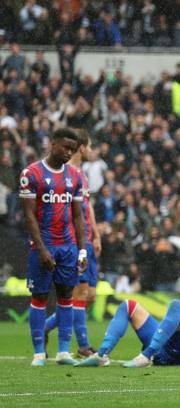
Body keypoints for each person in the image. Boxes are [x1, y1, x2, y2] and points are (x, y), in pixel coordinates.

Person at [19, 127, 87, 366]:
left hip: (68, 246)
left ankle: (64, 352)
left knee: (66, 296)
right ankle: (39, 353)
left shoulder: (75, 176)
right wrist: (41, 249)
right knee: (39, 296)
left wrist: (82, 249)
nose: (69, 153)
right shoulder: (32, 173)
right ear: (53, 143)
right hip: (43, 245)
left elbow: (78, 216)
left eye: (73, 149)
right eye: (65, 147)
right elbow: (29, 216)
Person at [44, 130, 102, 357]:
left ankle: (46, 326)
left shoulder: (82, 176)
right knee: (79, 294)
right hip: (76, 240)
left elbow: (88, 207)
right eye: (89, 147)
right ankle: (84, 347)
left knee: (90, 296)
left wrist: (96, 235)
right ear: (82, 148)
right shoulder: (65, 175)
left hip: (88, 238)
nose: (91, 151)